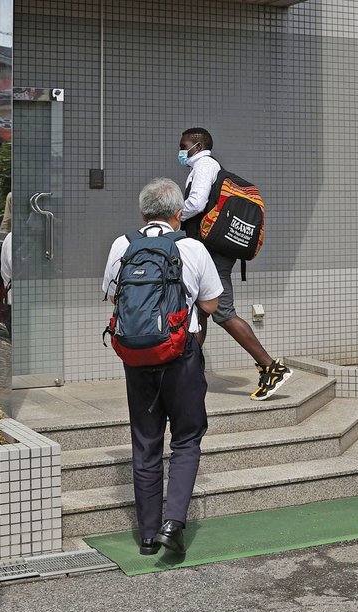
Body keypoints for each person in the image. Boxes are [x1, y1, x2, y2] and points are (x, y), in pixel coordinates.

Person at [103, 178, 223, 555]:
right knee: (186, 438)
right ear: (177, 213)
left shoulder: (123, 244)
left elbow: (111, 294)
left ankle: (149, 535)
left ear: (142, 213)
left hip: (137, 357)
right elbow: (211, 305)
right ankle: (174, 522)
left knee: (145, 441)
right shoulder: (191, 247)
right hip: (179, 353)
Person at [178, 127, 292, 400]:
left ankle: (272, 368)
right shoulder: (202, 167)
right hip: (210, 250)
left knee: (222, 311)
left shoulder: (205, 165)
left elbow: (197, 202)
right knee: (199, 310)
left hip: (214, 252)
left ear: (197, 145)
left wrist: (174, 216)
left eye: (184, 145)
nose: (180, 151)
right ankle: (189, 373)